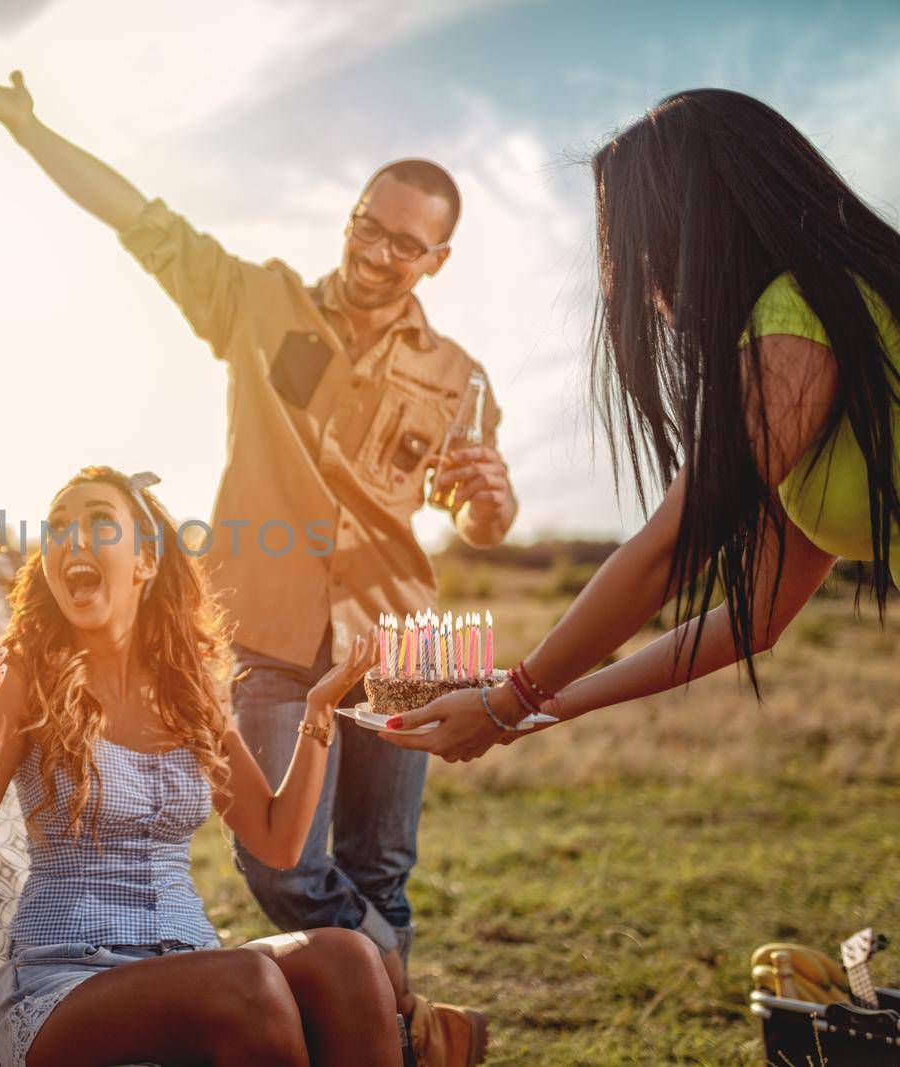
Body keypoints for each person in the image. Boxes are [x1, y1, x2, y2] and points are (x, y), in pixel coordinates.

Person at [0, 47, 510, 1064]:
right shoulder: (258, 302)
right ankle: (401, 1010)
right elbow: (141, 222)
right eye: (363, 228)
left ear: (438, 259)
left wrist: (491, 505)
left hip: (402, 629)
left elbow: (477, 515)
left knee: (381, 872)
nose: (373, 254)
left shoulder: (458, 375)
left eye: (402, 245)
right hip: (269, 611)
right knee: (292, 880)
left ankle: (381, 1011)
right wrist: (30, 131)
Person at [382, 89, 899, 762]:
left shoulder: (795, 318)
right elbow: (758, 620)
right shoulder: (820, 326)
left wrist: (510, 698)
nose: (642, 284)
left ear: (692, 228)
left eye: (636, 246)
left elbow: (673, 545)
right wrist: (532, 704)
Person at [0, 466, 401, 1067]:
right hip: (65, 983)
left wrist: (319, 710)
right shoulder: (22, 678)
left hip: (190, 963)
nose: (72, 537)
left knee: (348, 958)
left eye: (99, 521)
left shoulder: (188, 687)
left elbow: (278, 843)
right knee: (249, 985)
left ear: (145, 560)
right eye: (58, 527)